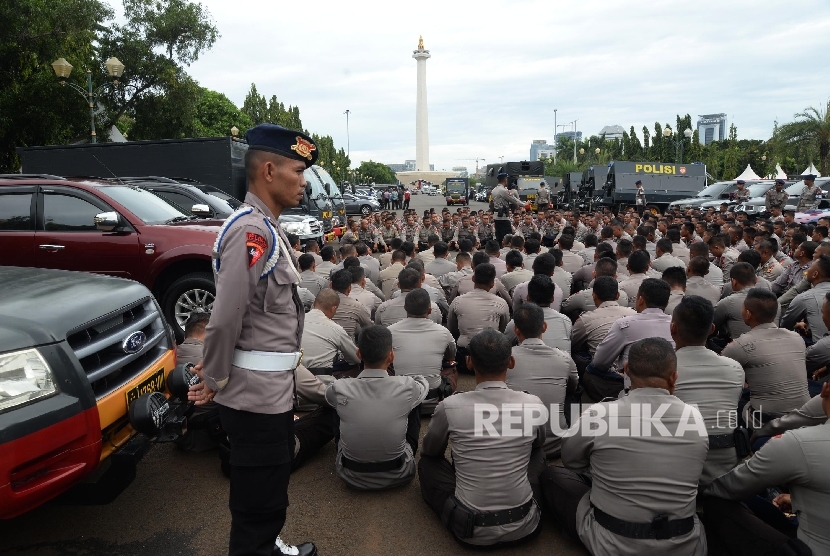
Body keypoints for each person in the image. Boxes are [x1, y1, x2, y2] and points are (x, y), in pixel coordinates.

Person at [188, 124, 316, 556]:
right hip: (253, 398)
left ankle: (268, 545)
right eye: (298, 171)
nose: (304, 181)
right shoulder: (251, 231)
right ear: (268, 170)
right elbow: (224, 319)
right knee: (256, 507)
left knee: (268, 493)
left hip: (270, 394)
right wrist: (215, 379)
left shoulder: (267, 228)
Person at [541, 338, 709, 556]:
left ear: (626, 370)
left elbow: (571, 461)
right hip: (685, 544)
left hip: (611, 542)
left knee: (552, 476)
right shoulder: (695, 418)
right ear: (674, 376)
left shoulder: (599, 414)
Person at [419, 329, 546, 548]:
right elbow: (539, 444)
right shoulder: (533, 403)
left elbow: (430, 452)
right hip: (526, 523)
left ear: (469, 362)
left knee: (427, 464)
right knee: (537, 453)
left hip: (470, 529)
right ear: (511, 362)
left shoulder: (450, 406)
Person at [701, 381, 830, 556]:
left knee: (715, 504)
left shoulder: (796, 444)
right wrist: (796, 499)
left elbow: (728, 488)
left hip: (807, 549)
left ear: (825, 389)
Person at [325, 325, 428, 490]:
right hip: (400, 473)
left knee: (336, 405)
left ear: (359, 354)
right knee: (415, 401)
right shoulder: (407, 386)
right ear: (391, 356)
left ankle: (347, 449)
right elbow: (423, 384)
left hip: (350, 475)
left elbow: (329, 397)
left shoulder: (339, 387)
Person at [670, 295, 745, 488]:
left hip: (678, 470)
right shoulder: (735, 368)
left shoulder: (663, 370)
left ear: (673, 328)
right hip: (726, 468)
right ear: (712, 329)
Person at [722, 289, 811, 428]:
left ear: (748, 314)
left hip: (765, 419)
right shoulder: (797, 338)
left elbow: (722, 375)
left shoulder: (739, 345)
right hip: (803, 414)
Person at [584, 278, 674, 401]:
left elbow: (600, 362)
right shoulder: (675, 325)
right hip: (668, 390)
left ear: (640, 300)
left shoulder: (625, 324)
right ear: (667, 303)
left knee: (590, 371)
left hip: (632, 391)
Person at [507, 303, 578, 458]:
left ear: (516, 330)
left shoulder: (506, 358)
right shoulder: (564, 358)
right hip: (556, 445)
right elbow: (574, 385)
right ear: (544, 327)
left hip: (516, 445)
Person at [388, 288, 457, 416]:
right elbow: (451, 355)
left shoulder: (390, 331)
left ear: (405, 308)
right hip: (434, 404)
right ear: (429, 310)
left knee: (387, 364)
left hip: (402, 404)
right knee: (451, 365)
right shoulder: (443, 332)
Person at [447, 263, 511, 374]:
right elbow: (503, 330)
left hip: (464, 357)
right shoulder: (501, 303)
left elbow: (452, 329)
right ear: (492, 284)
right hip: (492, 358)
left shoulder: (458, 301)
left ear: (473, 279)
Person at [175, 312, 224, 453]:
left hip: (178, 437)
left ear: (185, 336)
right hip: (209, 438)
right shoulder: (216, 360)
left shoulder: (167, 358)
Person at [299, 289, 360, 378]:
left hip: (294, 379)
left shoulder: (296, 322)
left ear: (314, 303)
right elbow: (356, 358)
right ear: (333, 308)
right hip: (322, 382)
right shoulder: (336, 329)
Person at [504, 274, 572, 353]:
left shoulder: (516, 322)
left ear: (527, 298)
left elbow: (505, 347)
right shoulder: (566, 321)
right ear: (552, 299)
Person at [571, 276, 636, 356]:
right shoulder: (634, 314)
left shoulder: (585, 319)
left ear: (594, 295)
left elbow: (572, 345)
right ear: (618, 295)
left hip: (600, 366)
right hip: (629, 365)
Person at [781, 254, 830, 342]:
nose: (807, 270)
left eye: (810, 267)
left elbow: (785, 325)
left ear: (815, 274)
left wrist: (796, 326)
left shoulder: (805, 298)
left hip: (819, 351)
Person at [375, 268, 441, 326]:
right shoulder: (433, 307)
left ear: (398, 285)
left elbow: (378, 327)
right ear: (420, 285)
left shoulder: (383, 308)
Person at [713, 262, 759, 341]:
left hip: (738, 349)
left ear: (734, 282)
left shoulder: (728, 302)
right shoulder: (773, 301)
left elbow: (712, 329)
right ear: (756, 279)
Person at [329, 268, 372, 341]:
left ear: (330, 285)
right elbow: (370, 326)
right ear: (349, 288)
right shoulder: (357, 306)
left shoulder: (318, 303)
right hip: (348, 348)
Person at [491, 172, 523, 243]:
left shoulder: (494, 190)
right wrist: (524, 204)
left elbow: (491, 204)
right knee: (507, 236)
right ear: (505, 180)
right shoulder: (503, 190)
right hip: (503, 216)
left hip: (496, 215)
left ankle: (499, 250)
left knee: (499, 235)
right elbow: (515, 200)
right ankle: (506, 250)